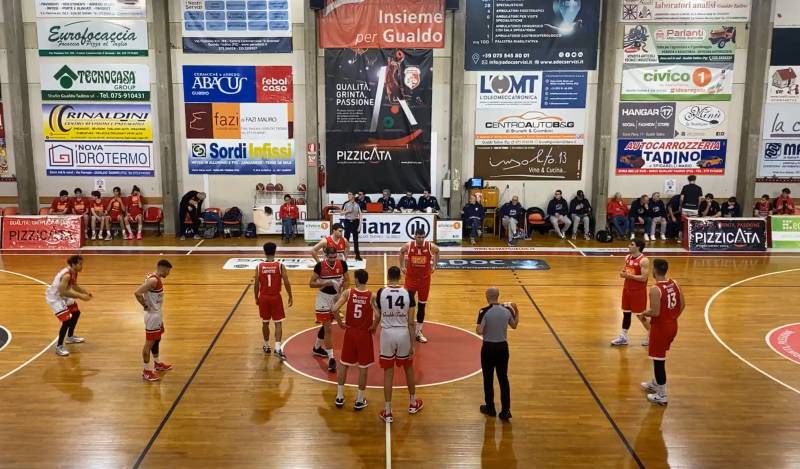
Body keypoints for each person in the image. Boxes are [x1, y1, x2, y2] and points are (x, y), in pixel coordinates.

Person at [377, 266, 423, 423]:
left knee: (388, 373)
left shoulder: (381, 293)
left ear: (388, 277)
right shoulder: (408, 294)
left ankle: (388, 411)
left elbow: (378, 314)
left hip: (387, 334)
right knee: (408, 369)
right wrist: (412, 344)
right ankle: (413, 403)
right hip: (403, 333)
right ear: (400, 277)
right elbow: (411, 322)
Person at [641, 259, 684, 405]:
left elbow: (655, 312)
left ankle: (662, 395)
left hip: (660, 329)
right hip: (673, 325)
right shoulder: (674, 283)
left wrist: (644, 313)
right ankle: (655, 383)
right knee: (658, 358)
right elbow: (683, 305)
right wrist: (672, 317)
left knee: (659, 362)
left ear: (654, 271)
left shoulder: (655, 289)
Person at [332, 269, 378, 410]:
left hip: (350, 333)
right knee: (363, 368)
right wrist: (374, 327)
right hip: (364, 335)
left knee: (344, 365)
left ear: (357, 279)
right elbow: (378, 315)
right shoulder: (372, 296)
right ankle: (359, 400)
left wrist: (340, 323)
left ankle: (339, 397)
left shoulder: (348, 293)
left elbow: (334, 308)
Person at [476, 287, 519, 421]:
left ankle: (490, 408)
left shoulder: (484, 311)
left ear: (487, 297)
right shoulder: (506, 311)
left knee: (488, 379)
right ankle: (506, 411)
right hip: (502, 348)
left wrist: (486, 327)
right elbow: (514, 325)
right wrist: (517, 312)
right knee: (503, 378)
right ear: (498, 296)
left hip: (488, 348)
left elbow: (479, 331)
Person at [309, 246, 350, 373]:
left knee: (326, 325)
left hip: (336, 297)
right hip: (323, 298)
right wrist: (325, 283)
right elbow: (311, 283)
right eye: (330, 257)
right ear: (326, 256)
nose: (332, 259)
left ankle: (317, 348)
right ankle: (331, 359)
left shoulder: (342, 264)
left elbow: (347, 280)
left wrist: (342, 294)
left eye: (334, 257)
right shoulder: (320, 266)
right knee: (328, 328)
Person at [134, 259, 173, 382]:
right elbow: (137, 293)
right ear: (163, 268)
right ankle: (146, 371)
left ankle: (157, 363)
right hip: (152, 316)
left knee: (157, 339)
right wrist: (145, 305)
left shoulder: (154, 277)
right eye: (168, 271)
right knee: (149, 344)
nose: (168, 273)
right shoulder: (153, 280)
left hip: (157, 313)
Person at [45, 255, 92, 357]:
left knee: (76, 312)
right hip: (55, 298)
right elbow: (63, 292)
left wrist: (85, 292)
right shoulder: (66, 275)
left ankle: (70, 337)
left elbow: (74, 285)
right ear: (73, 264)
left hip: (62, 295)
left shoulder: (74, 272)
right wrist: (80, 296)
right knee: (66, 321)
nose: (82, 266)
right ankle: (59, 347)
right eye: (80, 264)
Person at [399, 228, 440, 343]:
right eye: (419, 237)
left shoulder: (429, 246)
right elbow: (401, 251)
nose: (421, 239)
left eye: (422, 237)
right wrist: (402, 266)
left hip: (424, 281)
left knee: (422, 306)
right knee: (408, 304)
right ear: (415, 236)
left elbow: (437, 251)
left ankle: (418, 332)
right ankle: (405, 328)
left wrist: (434, 266)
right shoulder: (409, 246)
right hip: (411, 280)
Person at [254, 242, 293, 360]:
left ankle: (266, 346)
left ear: (264, 252)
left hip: (263, 297)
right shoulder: (280, 266)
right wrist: (290, 295)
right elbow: (286, 282)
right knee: (278, 323)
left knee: (265, 322)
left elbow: (256, 284)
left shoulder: (259, 266)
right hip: (275, 297)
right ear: (275, 251)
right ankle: (277, 348)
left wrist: (256, 297)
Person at [610, 239, 651, 346]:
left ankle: (652, 334)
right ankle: (623, 337)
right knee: (626, 313)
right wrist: (623, 273)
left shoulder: (644, 260)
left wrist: (629, 276)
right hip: (627, 290)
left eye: (631, 244)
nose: (629, 246)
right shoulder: (627, 257)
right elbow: (627, 270)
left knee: (640, 315)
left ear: (638, 247)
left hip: (638, 292)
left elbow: (644, 278)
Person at [341, 192, 363, 261]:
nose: (348, 196)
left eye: (350, 194)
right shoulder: (346, 204)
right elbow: (341, 213)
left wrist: (360, 225)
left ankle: (357, 255)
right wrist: (347, 211)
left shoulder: (358, 204)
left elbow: (360, 215)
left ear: (353, 195)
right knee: (346, 240)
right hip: (347, 222)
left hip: (355, 222)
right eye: (348, 194)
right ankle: (345, 255)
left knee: (355, 240)